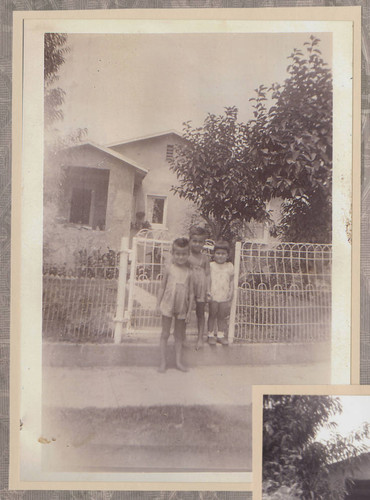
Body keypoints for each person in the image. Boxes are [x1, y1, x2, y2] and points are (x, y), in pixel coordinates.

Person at [157, 237, 194, 372]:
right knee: (165, 333)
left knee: (178, 335)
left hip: (182, 307)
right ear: (173, 254)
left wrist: (189, 311)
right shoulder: (168, 269)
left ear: (188, 254)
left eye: (184, 254)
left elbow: (191, 294)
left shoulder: (189, 272)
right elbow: (162, 287)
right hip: (168, 304)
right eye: (177, 254)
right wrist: (158, 304)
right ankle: (163, 362)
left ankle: (178, 362)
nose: (180, 257)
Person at [207, 240, 234, 345]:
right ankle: (210, 335)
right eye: (218, 253)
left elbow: (231, 280)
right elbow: (208, 279)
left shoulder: (230, 266)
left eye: (223, 254)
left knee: (222, 315)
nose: (220, 256)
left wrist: (231, 291)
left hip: (224, 295)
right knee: (212, 314)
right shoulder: (211, 265)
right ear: (214, 254)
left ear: (227, 255)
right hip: (213, 294)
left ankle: (220, 335)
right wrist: (208, 291)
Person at [188, 226, 211, 350]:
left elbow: (207, 275)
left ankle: (200, 338)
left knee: (200, 313)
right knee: (183, 311)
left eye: (200, 241)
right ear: (190, 240)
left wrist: (208, 290)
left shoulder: (205, 258)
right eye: (195, 241)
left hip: (201, 287)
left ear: (204, 243)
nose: (197, 244)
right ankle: (181, 337)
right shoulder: (186, 255)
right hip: (188, 286)